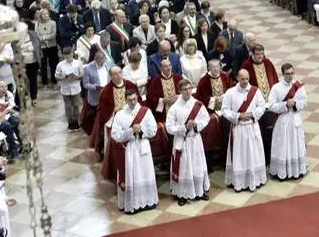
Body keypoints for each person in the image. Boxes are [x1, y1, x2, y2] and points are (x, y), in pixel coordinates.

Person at [111, 89, 159, 214]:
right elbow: (115, 135)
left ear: (137, 97)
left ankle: (148, 201)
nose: (133, 102)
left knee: (145, 172)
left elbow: (153, 130)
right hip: (129, 150)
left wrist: (141, 130)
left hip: (143, 146)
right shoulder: (120, 115)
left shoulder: (146, 112)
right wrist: (130, 131)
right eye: (130, 100)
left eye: (134, 99)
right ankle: (133, 203)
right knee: (132, 174)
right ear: (125, 100)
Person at [166, 77, 211, 205]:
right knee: (183, 168)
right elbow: (169, 127)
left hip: (195, 140)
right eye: (184, 89)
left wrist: (196, 125)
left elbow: (206, 119)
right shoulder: (174, 108)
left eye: (189, 89)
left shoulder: (198, 104)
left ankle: (199, 191)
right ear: (180, 91)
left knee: (198, 165)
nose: (187, 92)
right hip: (182, 142)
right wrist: (184, 127)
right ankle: (182, 194)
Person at [221, 69, 267, 192]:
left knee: (253, 153)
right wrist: (238, 116)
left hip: (252, 127)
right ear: (237, 78)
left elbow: (262, 106)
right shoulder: (230, 93)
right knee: (239, 155)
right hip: (239, 129)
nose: (245, 81)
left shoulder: (255, 91)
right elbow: (224, 110)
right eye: (242, 79)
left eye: (247, 79)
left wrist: (252, 114)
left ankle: (255, 179)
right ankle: (239, 182)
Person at [266, 63, 308, 180]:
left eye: (292, 73)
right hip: (282, 121)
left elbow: (304, 102)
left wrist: (294, 104)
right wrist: (285, 104)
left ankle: (297, 170)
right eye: (287, 74)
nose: (290, 76)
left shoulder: (299, 86)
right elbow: (271, 106)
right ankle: (281, 171)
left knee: (296, 143)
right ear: (282, 74)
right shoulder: (276, 88)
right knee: (282, 145)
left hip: (295, 119)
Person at [80, 50, 111, 135]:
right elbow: (85, 84)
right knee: (95, 116)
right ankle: (95, 133)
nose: (101, 64)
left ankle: (104, 132)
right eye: (99, 62)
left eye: (103, 61)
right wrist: (95, 87)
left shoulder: (108, 64)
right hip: (95, 97)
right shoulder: (88, 68)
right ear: (95, 59)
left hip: (107, 95)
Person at [55, 46, 83, 131]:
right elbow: (56, 76)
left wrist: (76, 76)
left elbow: (81, 74)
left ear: (72, 54)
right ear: (64, 56)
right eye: (66, 57)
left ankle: (76, 122)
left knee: (76, 106)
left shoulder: (78, 63)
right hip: (65, 88)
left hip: (75, 88)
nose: (69, 58)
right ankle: (70, 123)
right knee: (67, 106)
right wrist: (63, 77)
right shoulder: (60, 65)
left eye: (70, 56)